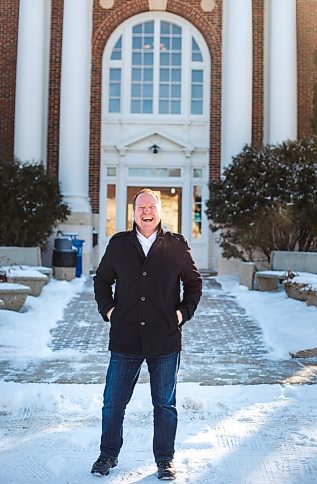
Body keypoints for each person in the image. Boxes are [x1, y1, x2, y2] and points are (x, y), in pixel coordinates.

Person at [91, 188, 202, 480]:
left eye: (152, 206)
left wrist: (181, 314)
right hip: (125, 339)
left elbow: (194, 284)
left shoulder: (176, 246)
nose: (146, 211)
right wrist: (110, 311)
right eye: (141, 207)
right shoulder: (118, 245)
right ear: (134, 211)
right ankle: (108, 454)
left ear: (160, 211)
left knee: (164, 404)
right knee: (113, 402)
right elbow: (101, 281)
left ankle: (165, 460)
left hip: (165, 339)